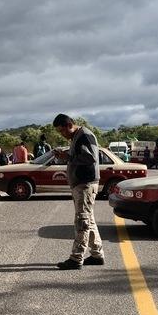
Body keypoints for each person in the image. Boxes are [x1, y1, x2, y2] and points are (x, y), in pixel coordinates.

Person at [52, 114, 103, 270]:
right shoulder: (76, 137)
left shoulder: (85, 135)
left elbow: (90, 157)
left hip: (85, 184)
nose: (62, 134)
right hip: (81, 184)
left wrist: (68, 155)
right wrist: (66, 156)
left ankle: (76, 258)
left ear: (69, 125)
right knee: (89, 220)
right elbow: (79, 156)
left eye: (62, 131)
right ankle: (97, 255)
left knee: (82, 221)